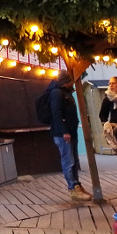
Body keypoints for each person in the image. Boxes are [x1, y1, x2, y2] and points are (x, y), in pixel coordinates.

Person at [48, 72, 91, 201]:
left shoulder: (66, 93)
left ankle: (77, 184)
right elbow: (56, 113)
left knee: (74, 160)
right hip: (63, 133)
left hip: (70, 131)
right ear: (66, 80)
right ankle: (72, 187)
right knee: (68, 160)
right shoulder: (57, 93)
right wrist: (64, 131)